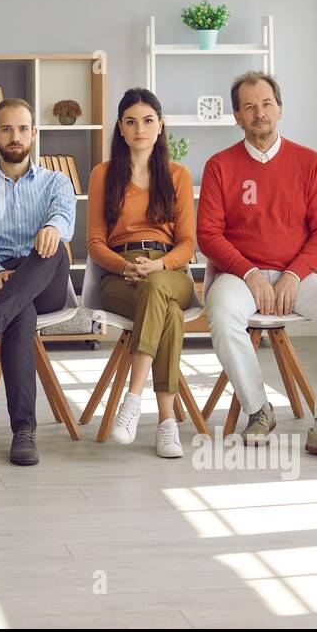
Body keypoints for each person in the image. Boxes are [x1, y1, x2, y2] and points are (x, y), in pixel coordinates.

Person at [196, 70, 317, 459]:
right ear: (237, 116)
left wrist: (293, 274)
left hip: (297, 274)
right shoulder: (219, 166)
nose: (260, 113)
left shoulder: (309, 162)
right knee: (221, 312)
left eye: (267, 104)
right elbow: (208, 234)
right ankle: (259, 409)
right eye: (249, 107)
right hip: (240, 277)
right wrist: (249, 272)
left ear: (280, 109)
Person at [0, 98, 76, 466]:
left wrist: (52, 228)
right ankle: (24, 432)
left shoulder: (56, 181)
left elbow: (63, 217)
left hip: (44, 277)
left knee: (52, 247)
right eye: (6, 129)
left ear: (34, 134)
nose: (15, 136)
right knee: (18, 312)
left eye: (23, 128)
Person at [87, 88, 196, 458]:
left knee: (158, 288)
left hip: (170, 270)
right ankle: (166, 422)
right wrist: (124, 266)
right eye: (131, 122)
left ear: (160, 125)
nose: (140, 129)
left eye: (148, 121)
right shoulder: (103, 175)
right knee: (168, 313)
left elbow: (187, 244)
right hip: (120, 276)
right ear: (119, 128)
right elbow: (95, 242)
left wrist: (158, 265)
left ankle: (132, 399)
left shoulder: (178, 175)